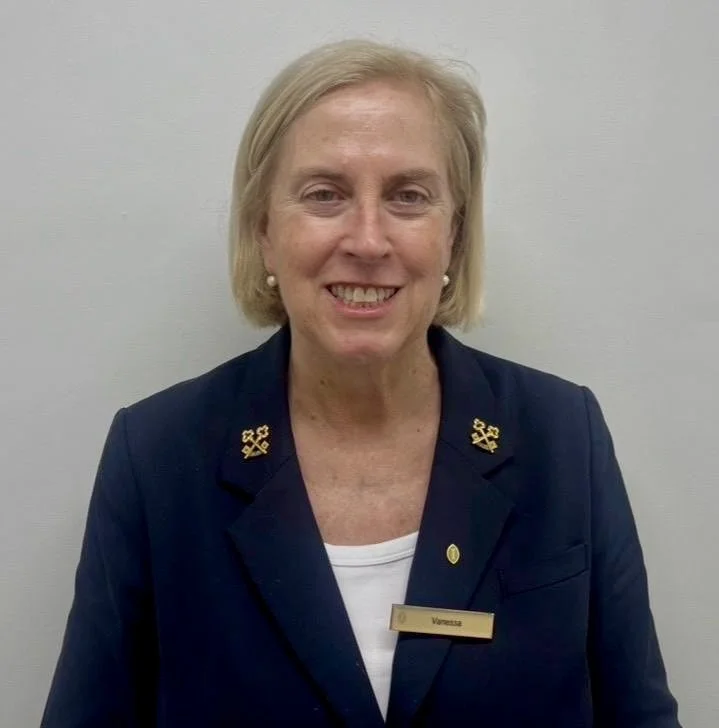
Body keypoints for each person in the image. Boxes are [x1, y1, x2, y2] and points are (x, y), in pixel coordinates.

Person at [42, 39, 681, 727]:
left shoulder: (561, 436)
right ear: (263, 229)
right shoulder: (157, 456)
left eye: (408, 196)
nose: (368, 241)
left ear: (454, 234)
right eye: (325, 195)